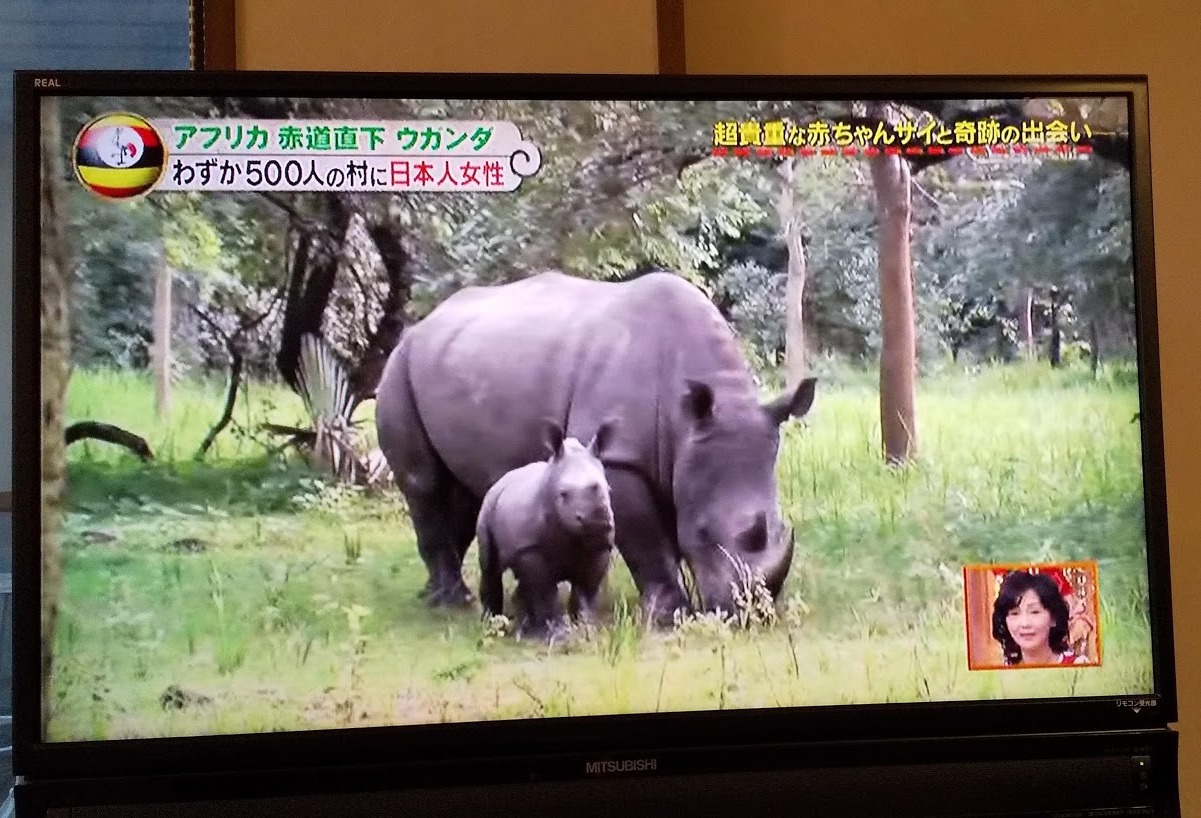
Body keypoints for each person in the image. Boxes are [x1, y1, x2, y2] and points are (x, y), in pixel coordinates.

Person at [991, 570, 1088, 666]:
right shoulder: (1002, 674)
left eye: (1035, 612)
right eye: (1015, 613)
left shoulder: (1078, 667)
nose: (1025, 623)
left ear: (1053, 618)